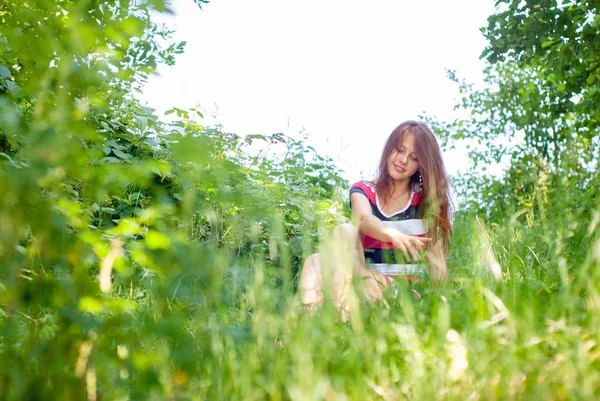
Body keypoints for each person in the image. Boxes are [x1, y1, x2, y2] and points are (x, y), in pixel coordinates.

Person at [298, 120, 452, 315]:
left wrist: (441, 307)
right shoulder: (363, 191)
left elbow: (437, 266)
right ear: (389, 149)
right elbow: (363, 219)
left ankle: (330, 327)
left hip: (403, 296)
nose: (403, 160)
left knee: (325, 252)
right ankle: (317, 327)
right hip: (360, 286)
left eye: (413, 157)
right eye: (399, 149)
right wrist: (392, 235)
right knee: (318, 258)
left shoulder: (426, 203)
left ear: (421, 165)